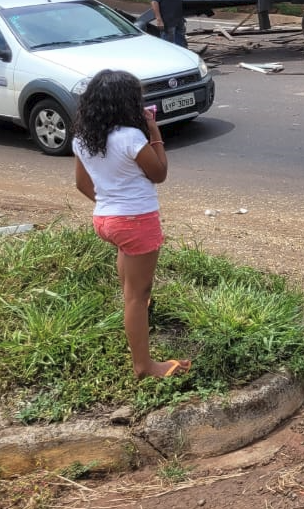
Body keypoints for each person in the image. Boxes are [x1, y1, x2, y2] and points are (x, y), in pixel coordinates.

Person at [73, 69, 189, 380]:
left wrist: (111, 204)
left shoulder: (84, 138)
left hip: (106, 220)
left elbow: (82, 184)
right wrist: (154, 130)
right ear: (127, 103)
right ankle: (144, 366)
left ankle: (137, 311)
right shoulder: (130, 137)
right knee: (137, 295)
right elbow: (159, 173)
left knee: (132, 286)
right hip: (135, 221)